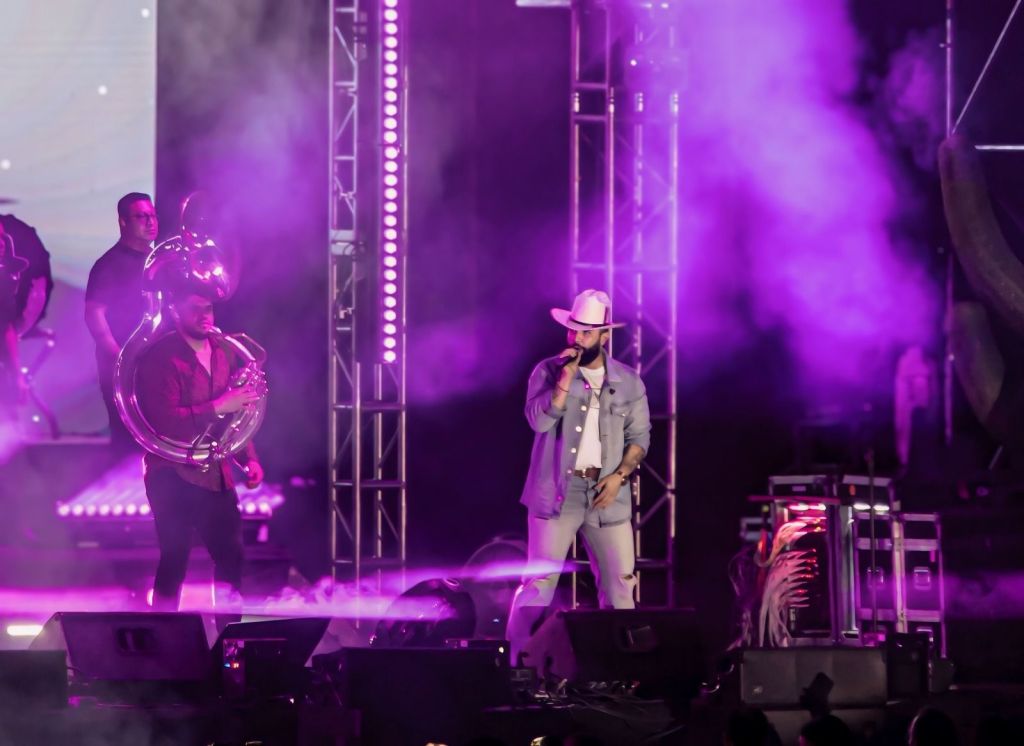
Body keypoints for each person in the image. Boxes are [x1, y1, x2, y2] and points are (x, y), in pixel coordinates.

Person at [506, 289, 651, 661]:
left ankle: (622, 670)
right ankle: (515, 664)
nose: (577, 338)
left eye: (587, 332)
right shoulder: (547, 371)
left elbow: (640, 438)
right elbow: (539, 422)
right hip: (556, 491)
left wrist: (619, 476)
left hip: (607, 494)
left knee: (620, 585)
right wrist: (565, 378)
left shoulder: (629, 381)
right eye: (573, 330)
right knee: (539, 583)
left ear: (604, 335)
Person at [135, 288, 264, 611]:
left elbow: (236, 415)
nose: (205, 315)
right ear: (175, 311)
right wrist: (218, 406)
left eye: (208, 308)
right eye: (195, 308)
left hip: (215, 473)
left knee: (231, 558)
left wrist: (249, 459)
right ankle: (164, 632)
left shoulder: (223, 350)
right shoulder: (160, 357)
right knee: (174, 558)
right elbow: (164, 422)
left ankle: (228, 635)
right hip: (171, 473)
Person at [85, 193, 158, 451]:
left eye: (153, 215)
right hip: (122, 370)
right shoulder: (109, 264)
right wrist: (120, 358)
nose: (151, 222)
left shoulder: (158, 260)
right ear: (123, 222)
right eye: (142, 216)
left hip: (156, 365)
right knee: (128, 443)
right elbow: (93, 314)